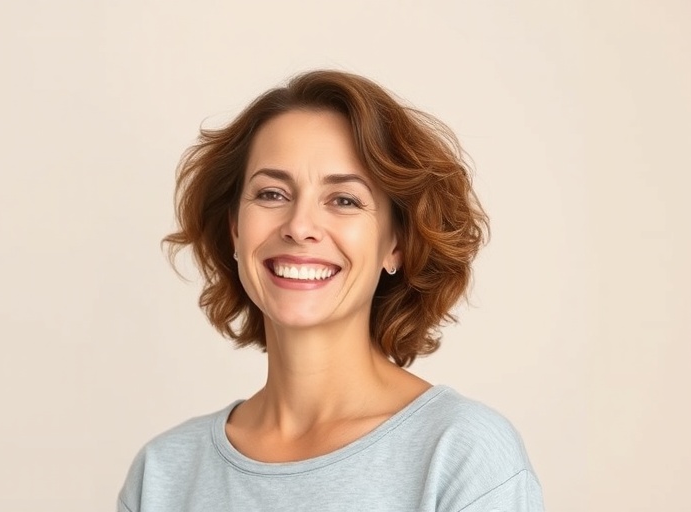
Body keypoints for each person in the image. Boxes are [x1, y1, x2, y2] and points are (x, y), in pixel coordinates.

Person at [117, 70, 544, 511]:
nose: (300, 227)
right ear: (235, 231)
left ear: (395, 243)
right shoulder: (164, 473)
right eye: (271, 194)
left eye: (344, 200)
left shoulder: (461, 456)